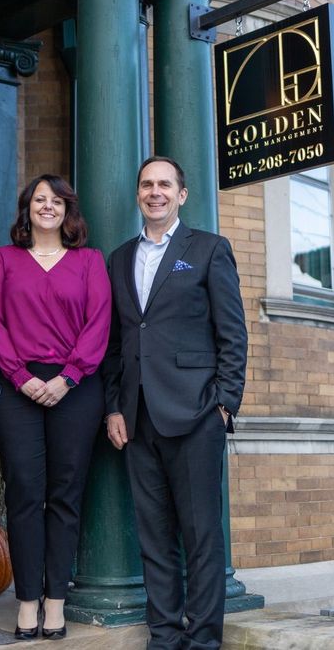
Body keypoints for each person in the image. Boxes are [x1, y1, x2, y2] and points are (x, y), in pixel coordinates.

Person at [103, 156, 248, 650]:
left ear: (181, 195)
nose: (155, 192)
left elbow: (233, 332)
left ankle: (204, 640)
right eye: (147, 184)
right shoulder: (119, 258)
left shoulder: (208, 249)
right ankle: (164, 636)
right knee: (154, 538)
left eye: (165, 184)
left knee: (201, 537)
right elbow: (118, 344)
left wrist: (225, 402)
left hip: (196, 413)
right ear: (138, 194)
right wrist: (114, 407)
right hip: (138, 417)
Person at [0, 174, 111, 641]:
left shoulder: (90, 262)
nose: (48, 207)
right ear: (27, 209)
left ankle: (56, 601)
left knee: (65, 495)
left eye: (56, 200)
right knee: (24, 493)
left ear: (68, 210)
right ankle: (27, 600)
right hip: (17, 387)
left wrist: (68, 378)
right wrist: (21, 377)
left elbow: (99, 325)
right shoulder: (3, 259)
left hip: (76, 388)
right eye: (40, 200)